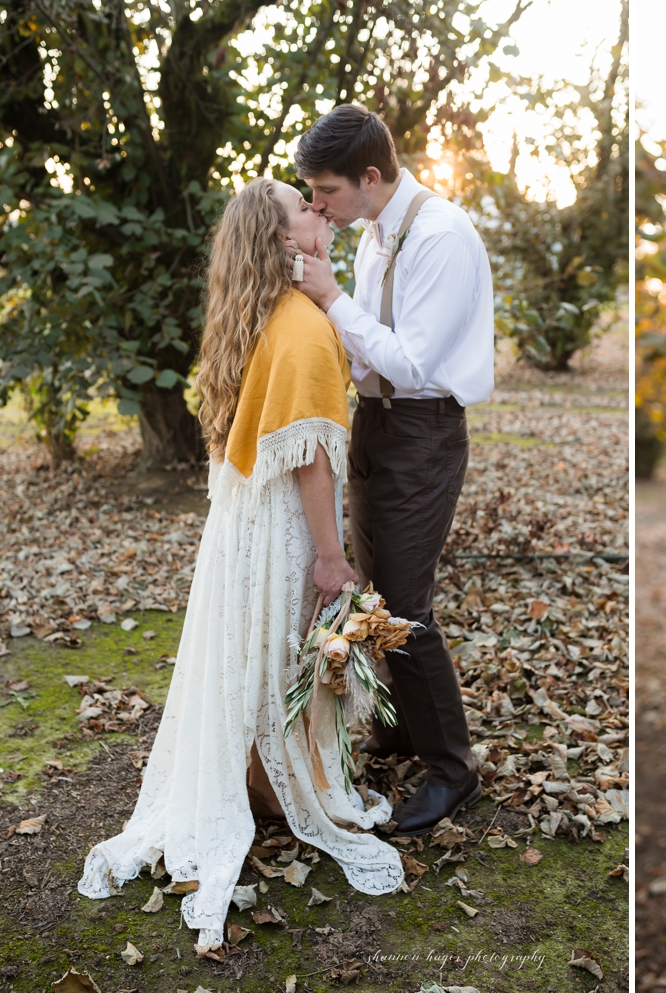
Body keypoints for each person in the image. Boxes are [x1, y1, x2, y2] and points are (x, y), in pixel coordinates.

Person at [77, 176, 405, 954]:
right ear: (284, 240)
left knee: (257, 654)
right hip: (281, 520)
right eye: (304, 207)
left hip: (242, 517)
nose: (319, 210)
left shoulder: (271, 314)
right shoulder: (298, 325)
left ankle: (264, 780)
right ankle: (273, 786)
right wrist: (332, 555)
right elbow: (313, 460)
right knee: (279, 650)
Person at [286, 103, 495, 835]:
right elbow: (369, 350)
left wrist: (332, 298)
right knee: (379, 592)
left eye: (325, 192)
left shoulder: (440, 235)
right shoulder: (373, 233)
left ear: (369, 176)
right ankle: (402, 729)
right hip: (375, 425)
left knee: (408, 606)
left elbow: (410, 363)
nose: (316, 206)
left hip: (424, 430)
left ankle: (453, 768)